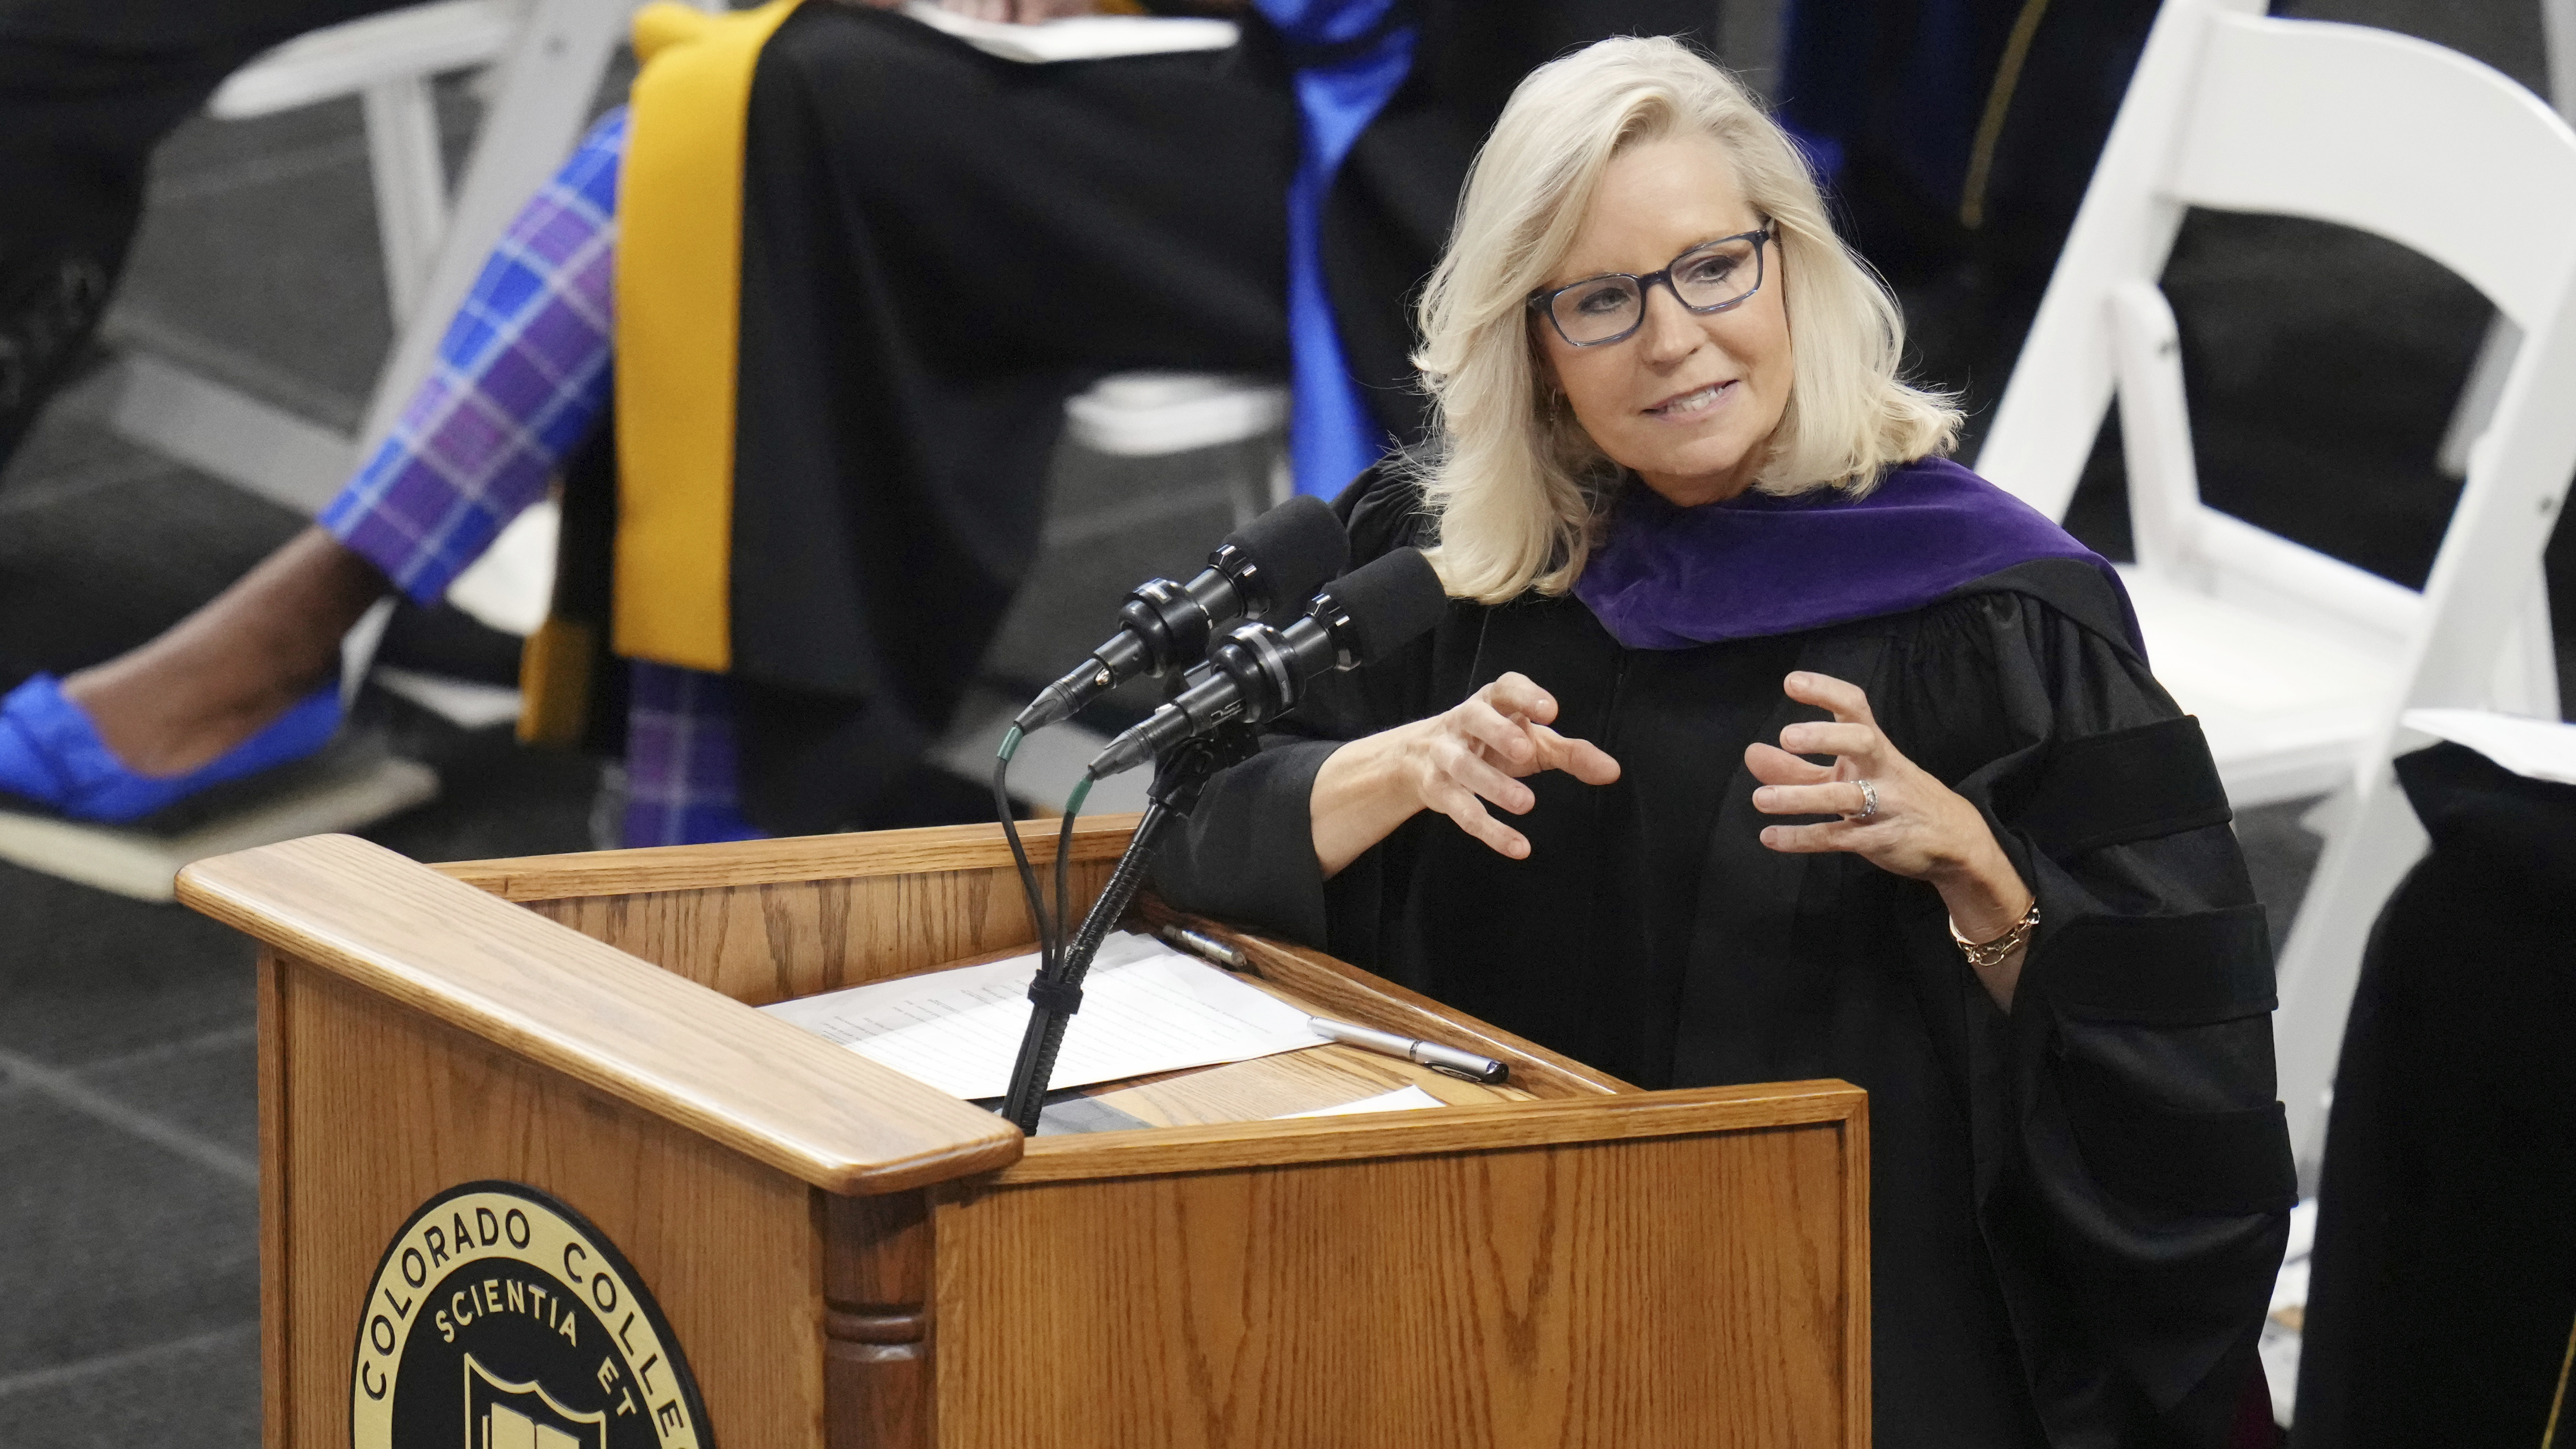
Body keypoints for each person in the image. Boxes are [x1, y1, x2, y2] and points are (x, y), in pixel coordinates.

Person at [1154, 37, 2293, 1449]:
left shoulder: (1995, 620)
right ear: (1534, 349)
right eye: (1600, 299)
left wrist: (1981, 876)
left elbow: (2188, 1097)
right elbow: (1178, 827)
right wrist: (1396, 767)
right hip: (1495, 1304)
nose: (1674, 338)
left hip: (1862, 1342)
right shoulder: (1467, 576)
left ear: (1792, 268)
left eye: (1712, 268)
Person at [0, 0, 1720, 845]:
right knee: (738, 109)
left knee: (758, 118)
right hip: (1221, 58)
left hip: (1446, 138)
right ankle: (684, 822)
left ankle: (334, 635)